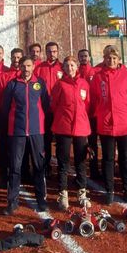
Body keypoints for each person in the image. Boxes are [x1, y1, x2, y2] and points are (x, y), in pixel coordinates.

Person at [0, 56, 50, 215]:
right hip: (17, 131)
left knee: (39, 166)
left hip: (36, 131)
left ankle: (41, 200)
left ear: (33, 66)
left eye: (29, 65)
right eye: (23, 66)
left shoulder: (40, 83)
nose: (26, 69)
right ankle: (12, 202)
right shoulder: (12, 84)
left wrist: (43, 126)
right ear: (19, 67)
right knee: (15, 167)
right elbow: (5, 108)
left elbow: (46, 105)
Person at [90, 46, 127, 205]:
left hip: (125, 124)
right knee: (108, 159)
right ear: (104, 59)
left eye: (114, 58)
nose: (111, 61)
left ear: (119, 59)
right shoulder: (98, 77)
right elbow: (95, 97)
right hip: (106, 123)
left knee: (125, 158)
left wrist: (124, 109)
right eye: (108, 58)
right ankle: (109, 190)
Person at [51, 56, 92, 210]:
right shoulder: (60, 84)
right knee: (63, 162)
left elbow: (86, 104)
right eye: (67, 65)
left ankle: (81, 193)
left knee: (81, 161)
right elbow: (54, 104)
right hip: (64, 127)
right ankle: (63, 193)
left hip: (81, 127)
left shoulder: (84, 84)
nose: (70, 68)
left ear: (76, 67)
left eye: (72, 65)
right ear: (64, 68)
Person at [0, 48, 23, 186]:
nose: (16, 60)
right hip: (6, 116)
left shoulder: (27, 75)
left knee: (20, 145)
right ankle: (3, 173)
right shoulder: (4, 76)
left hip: (21, 116)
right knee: (4, 144)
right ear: (10, 58)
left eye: (19, 57)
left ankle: (21, 172)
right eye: (14, 57)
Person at [34, 42, 62, 178]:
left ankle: (62, 166)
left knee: (62, 140)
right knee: (45, 139)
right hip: (45, 110)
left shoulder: (63, 67)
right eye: (50, 51)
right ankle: (46, 166)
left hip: (60, 110)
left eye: (54, 51)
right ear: (46, 53)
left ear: (58, 52)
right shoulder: (39, 68)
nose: (52, 54)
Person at [78, 49, 101, 179]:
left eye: (85, 56)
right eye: (81, 56)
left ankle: (94, 169)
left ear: (90, 57)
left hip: (93, 114)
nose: (83, 58)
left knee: (93, 143)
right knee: (79, 143)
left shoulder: (96, 72)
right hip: (80, 115)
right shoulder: (75, 72)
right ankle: (80, 169)